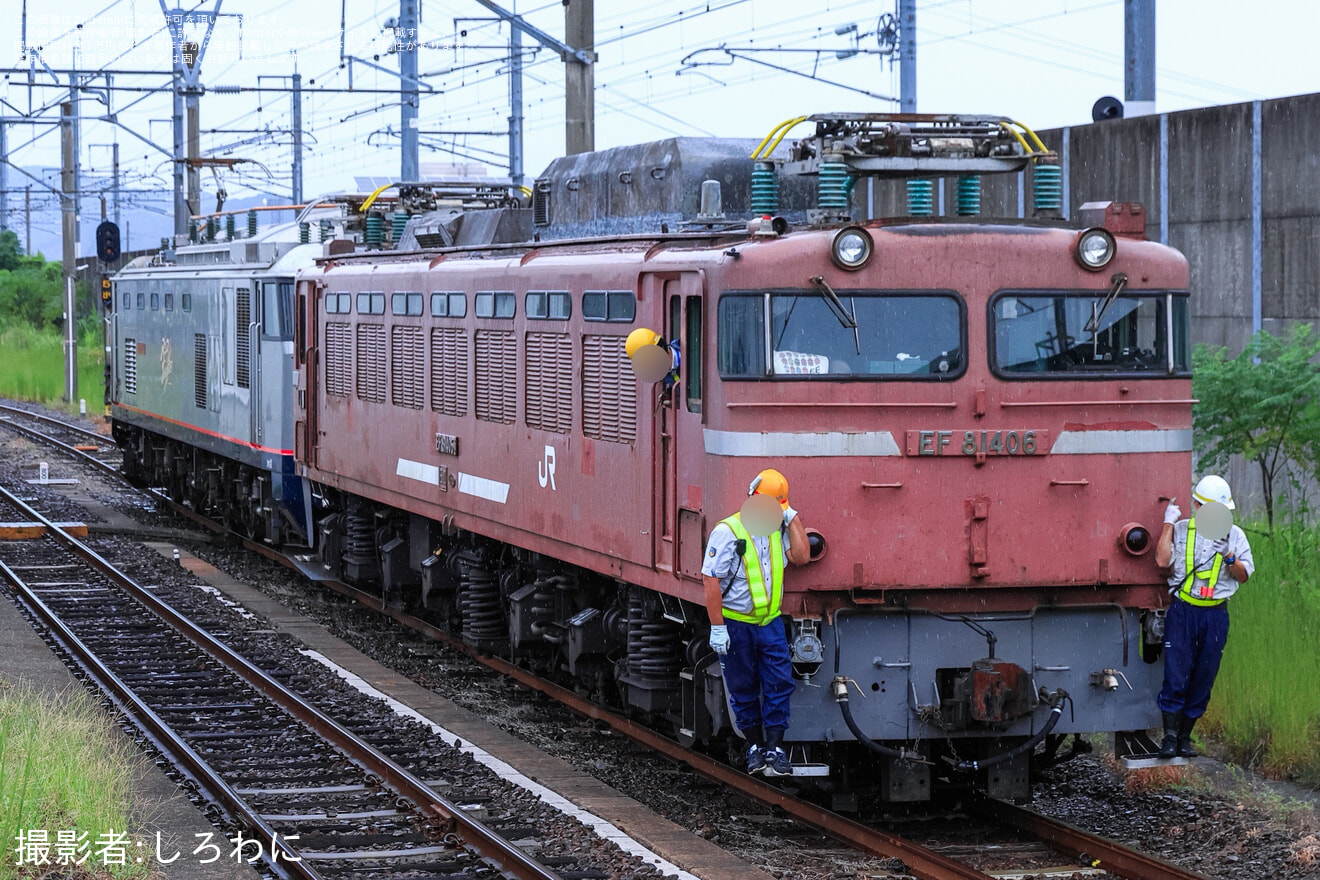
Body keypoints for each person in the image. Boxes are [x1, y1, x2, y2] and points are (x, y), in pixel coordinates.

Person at [702, 468, 811, 776]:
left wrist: (792, 516)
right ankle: (753, 747)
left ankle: (775, 749)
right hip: (738, 624)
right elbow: (710, 579)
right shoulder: (729, 531)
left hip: (770, 624)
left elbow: (802, 556)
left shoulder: (777, 528)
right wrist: (718, 627)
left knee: (779, 684)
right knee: (742, 686)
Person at [1154, 474, 1254, 759]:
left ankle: (1186, 737)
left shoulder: (1235, 535)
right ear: (1198, 505)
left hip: (1215, 614)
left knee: (1204, 676)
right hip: (1184, 610)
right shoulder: (1182, 530)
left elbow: (1244, 576)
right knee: (1176, 674)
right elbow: (1162, 561)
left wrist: (1230, 558)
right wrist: (1168, 523)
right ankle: (1170, 738)